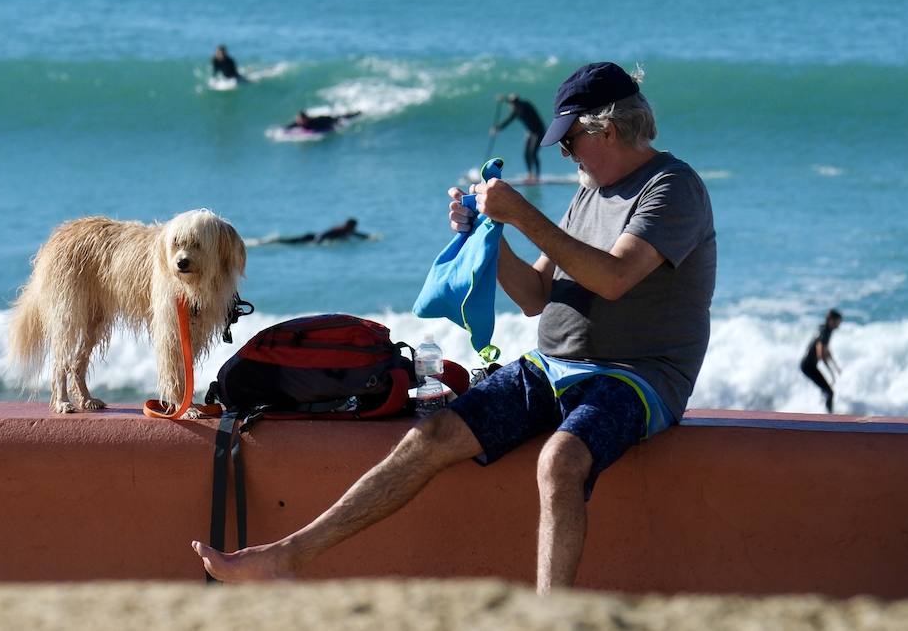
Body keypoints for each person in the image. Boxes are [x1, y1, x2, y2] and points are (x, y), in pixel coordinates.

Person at [194, 61, 716, 592]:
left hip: (637, 376)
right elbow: (535, 297)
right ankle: (286, 555)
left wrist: (521, 215)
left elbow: (615, 278)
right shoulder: (589, 191)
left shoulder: (672, 188)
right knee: (434, 431)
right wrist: (490, 235)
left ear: (605, 128)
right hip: (553, 365)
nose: (564, 153)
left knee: (560, 461)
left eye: (570, 141)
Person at [493, 93, 546, 182]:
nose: (514, 106)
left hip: (539, 131)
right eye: (512, 104)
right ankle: (530, 174)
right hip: (530, 132)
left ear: (519, 103)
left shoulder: (526, 106)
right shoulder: (515, 112)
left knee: (533, 153)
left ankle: (537, 177)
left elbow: (516, 102)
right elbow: (507, 121)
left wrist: (505, 99)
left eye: (515, 104)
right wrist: (497, 128)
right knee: (526, 153)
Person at [800, 309, 842, 413]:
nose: (839, 324)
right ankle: (829, 418)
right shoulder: (825, 332)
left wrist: (835, 366)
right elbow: (821, 354)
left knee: (826, 391)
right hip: (808, 366)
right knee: (830, 392)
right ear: (831, 320)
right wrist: (831, 373)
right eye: (838, 321)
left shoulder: (825, 329)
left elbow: (826, 350)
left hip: (808, 365)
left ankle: (821, 412)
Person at [270, 218, 371, 245]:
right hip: (312, 237)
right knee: (290, 242)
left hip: (314, 237)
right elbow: (324, 234)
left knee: (292, 242)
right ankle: (274, 240)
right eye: (354, 226)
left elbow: (359, 235)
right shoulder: (340, 229)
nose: (355, 228)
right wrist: (316, 242)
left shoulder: (348, 231)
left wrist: (369, 237)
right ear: (350, 225)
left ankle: (275, 240)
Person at [285, 110, 361, 133]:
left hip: (327, 120)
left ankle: (357, 113)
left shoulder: (314, 122)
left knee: (342, 118)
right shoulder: (299, 123)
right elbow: (291, 126)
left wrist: (336, 126)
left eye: (301, 119)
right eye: (299, 119)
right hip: (324, 121)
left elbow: (327, 126)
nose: (299, 121)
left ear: (305, 119)